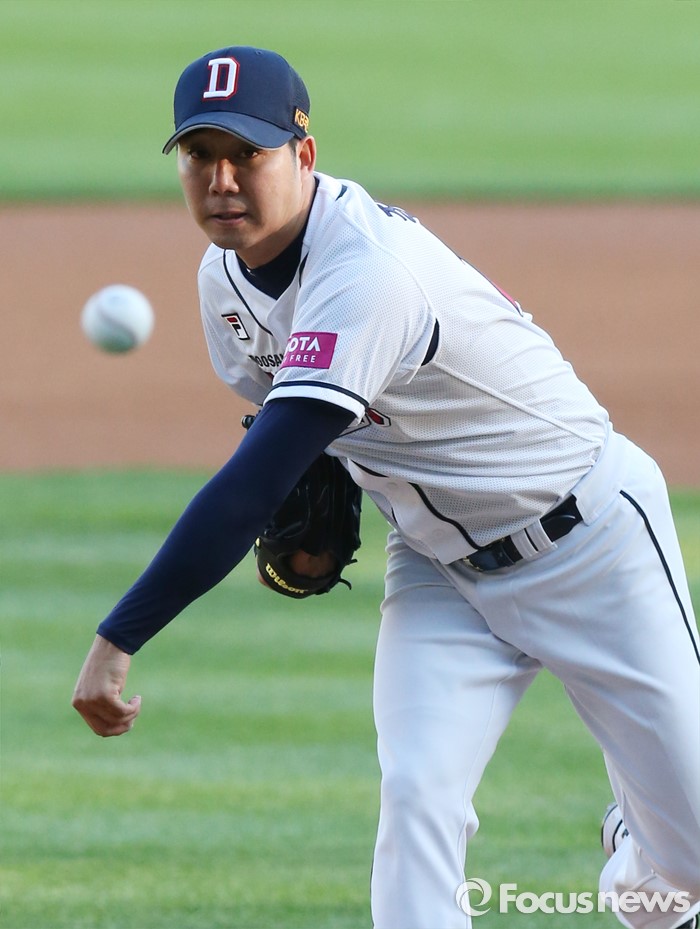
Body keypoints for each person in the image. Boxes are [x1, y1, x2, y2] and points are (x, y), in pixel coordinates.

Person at [72, 46, 700, 929]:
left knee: (682, 870)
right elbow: (304, 437)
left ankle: (640, 839)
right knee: (416, 799)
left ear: (303, 154)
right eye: (199, 155)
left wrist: (118, 636)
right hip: (440, 567)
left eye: (246, 154)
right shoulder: (223, 283)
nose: (221, 181)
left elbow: (255, 482)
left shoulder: (366, 270)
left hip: (590, 541)